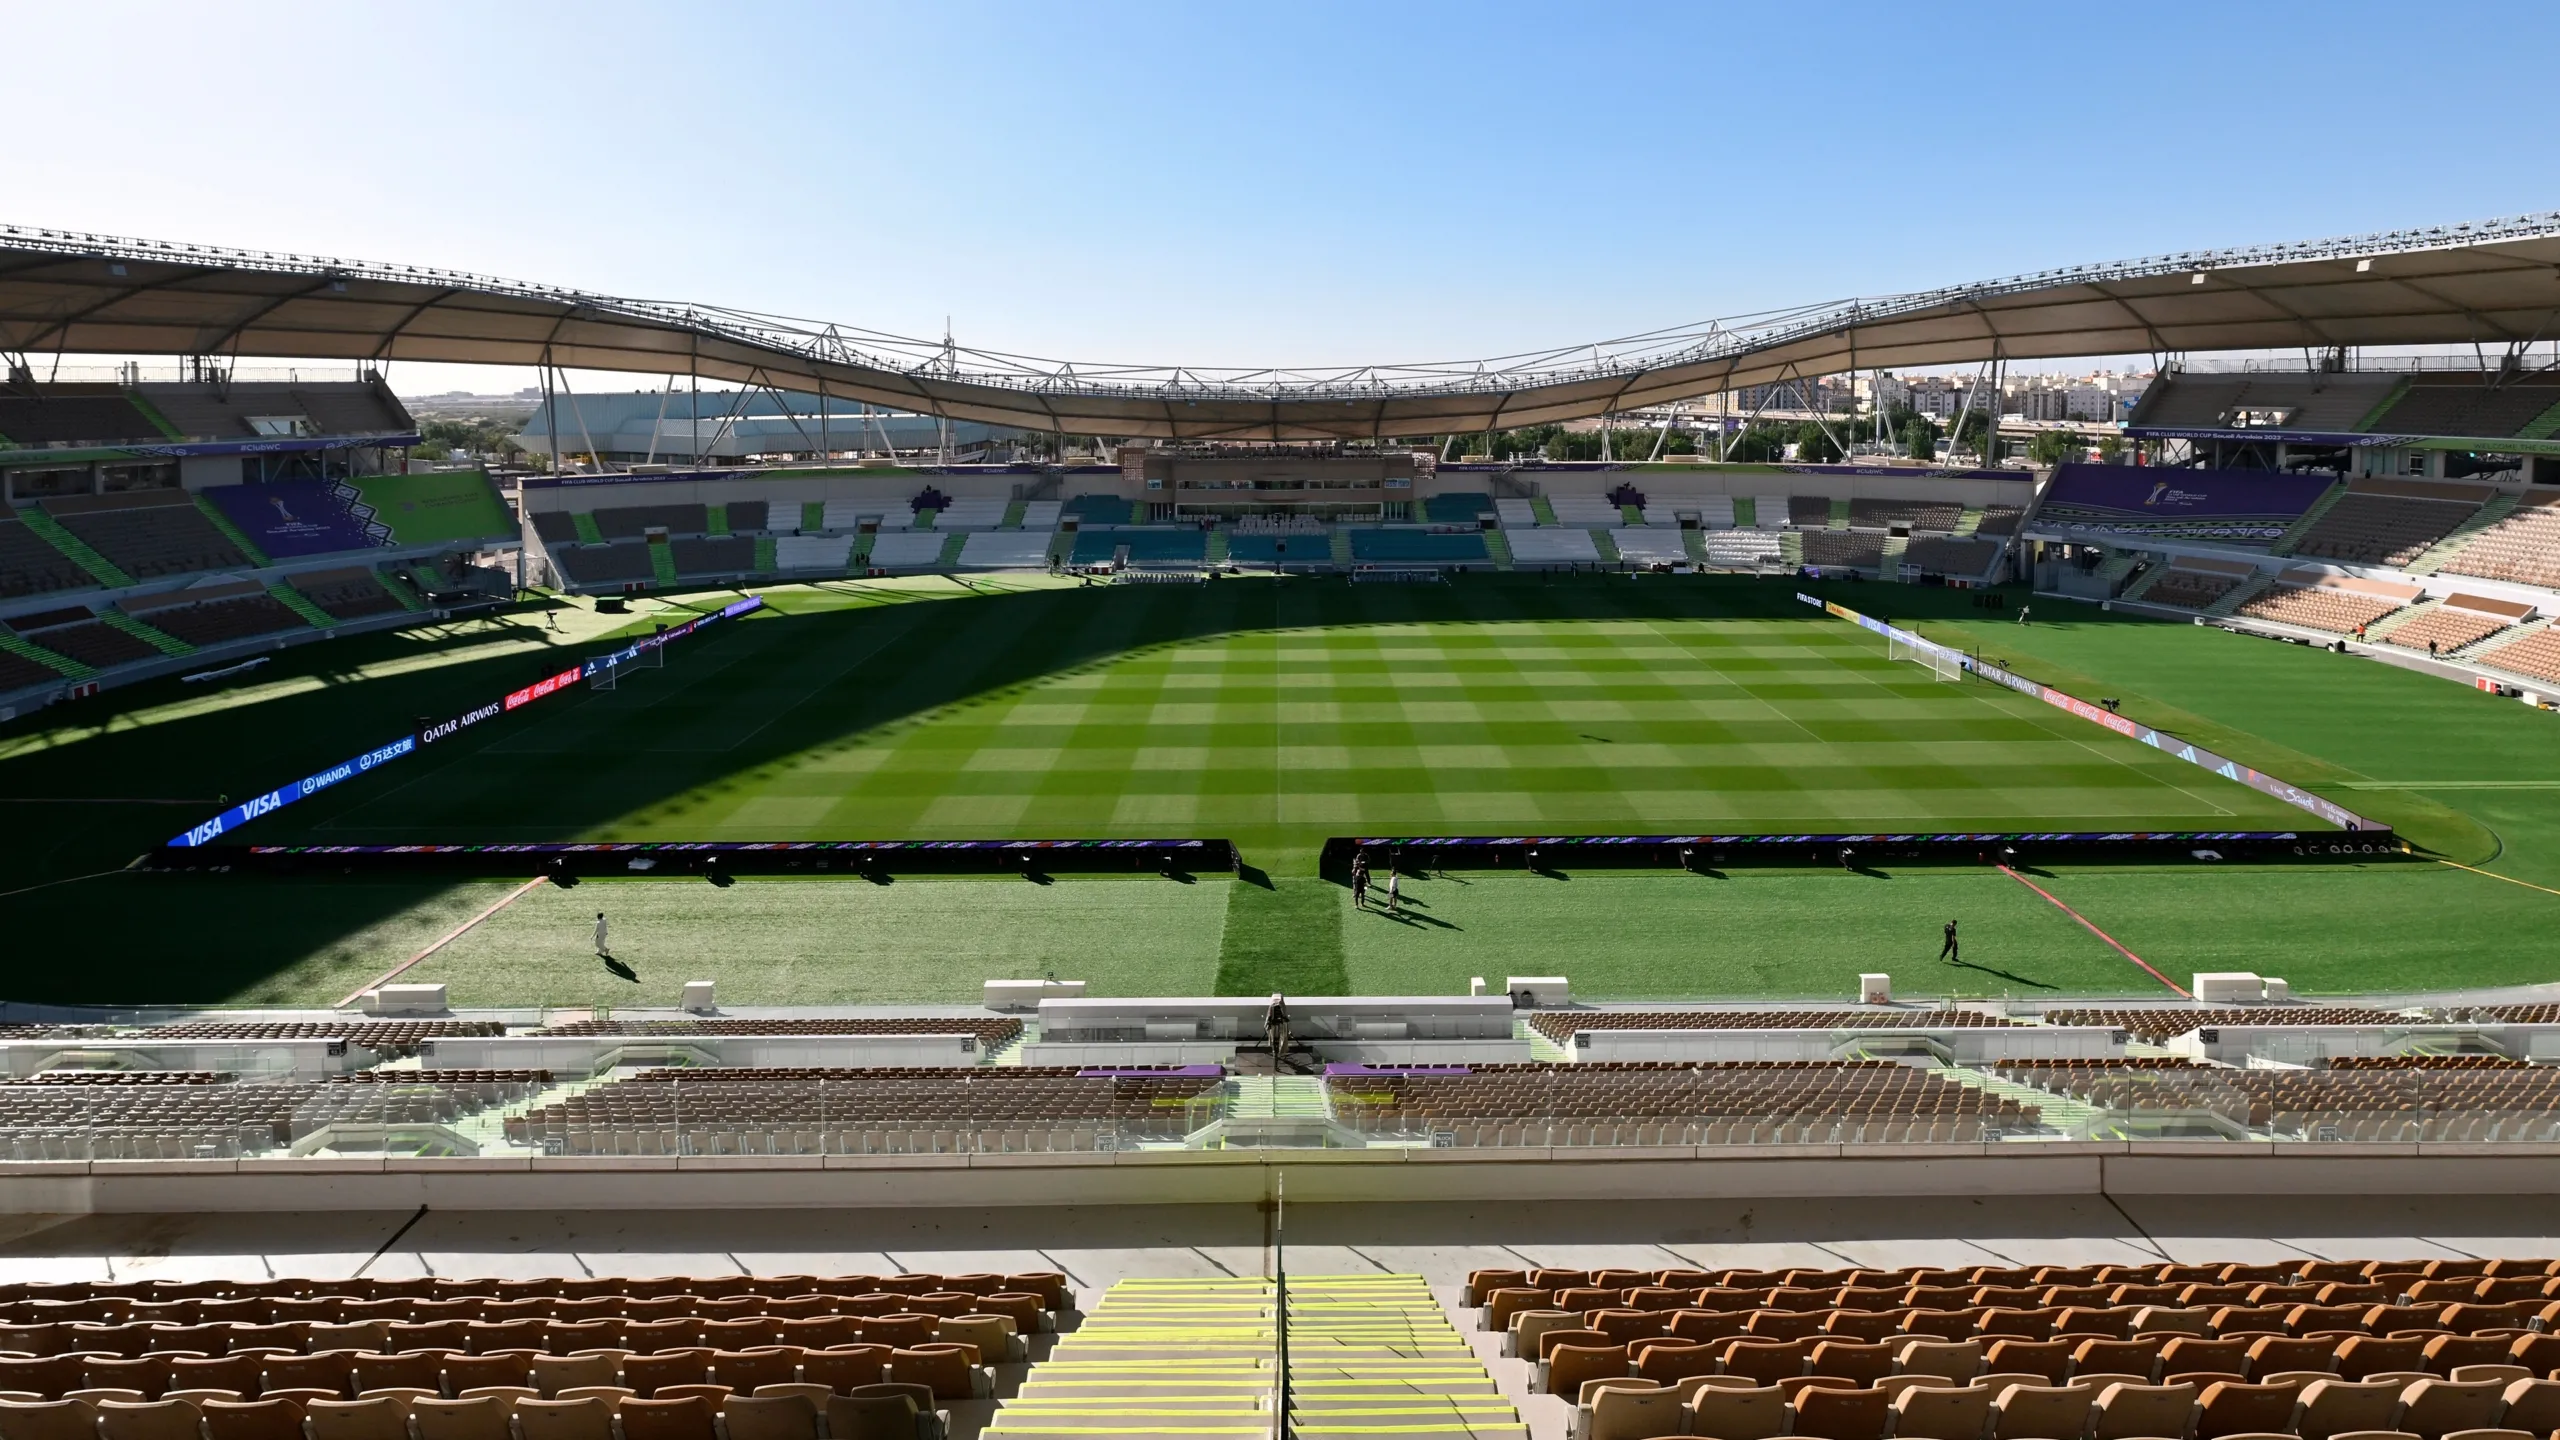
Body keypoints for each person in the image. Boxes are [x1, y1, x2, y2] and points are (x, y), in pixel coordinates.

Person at [1264, 993, 1291, 1073]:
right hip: (1276, 1030)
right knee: (1275, 1048)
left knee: (1276, 1047)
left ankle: (1276, 1062)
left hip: (1278, 1029)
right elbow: (1269, 1020)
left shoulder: (1275, 1009)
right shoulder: (1275, 1009)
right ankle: (1275, 1064)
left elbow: (1285, 1019)